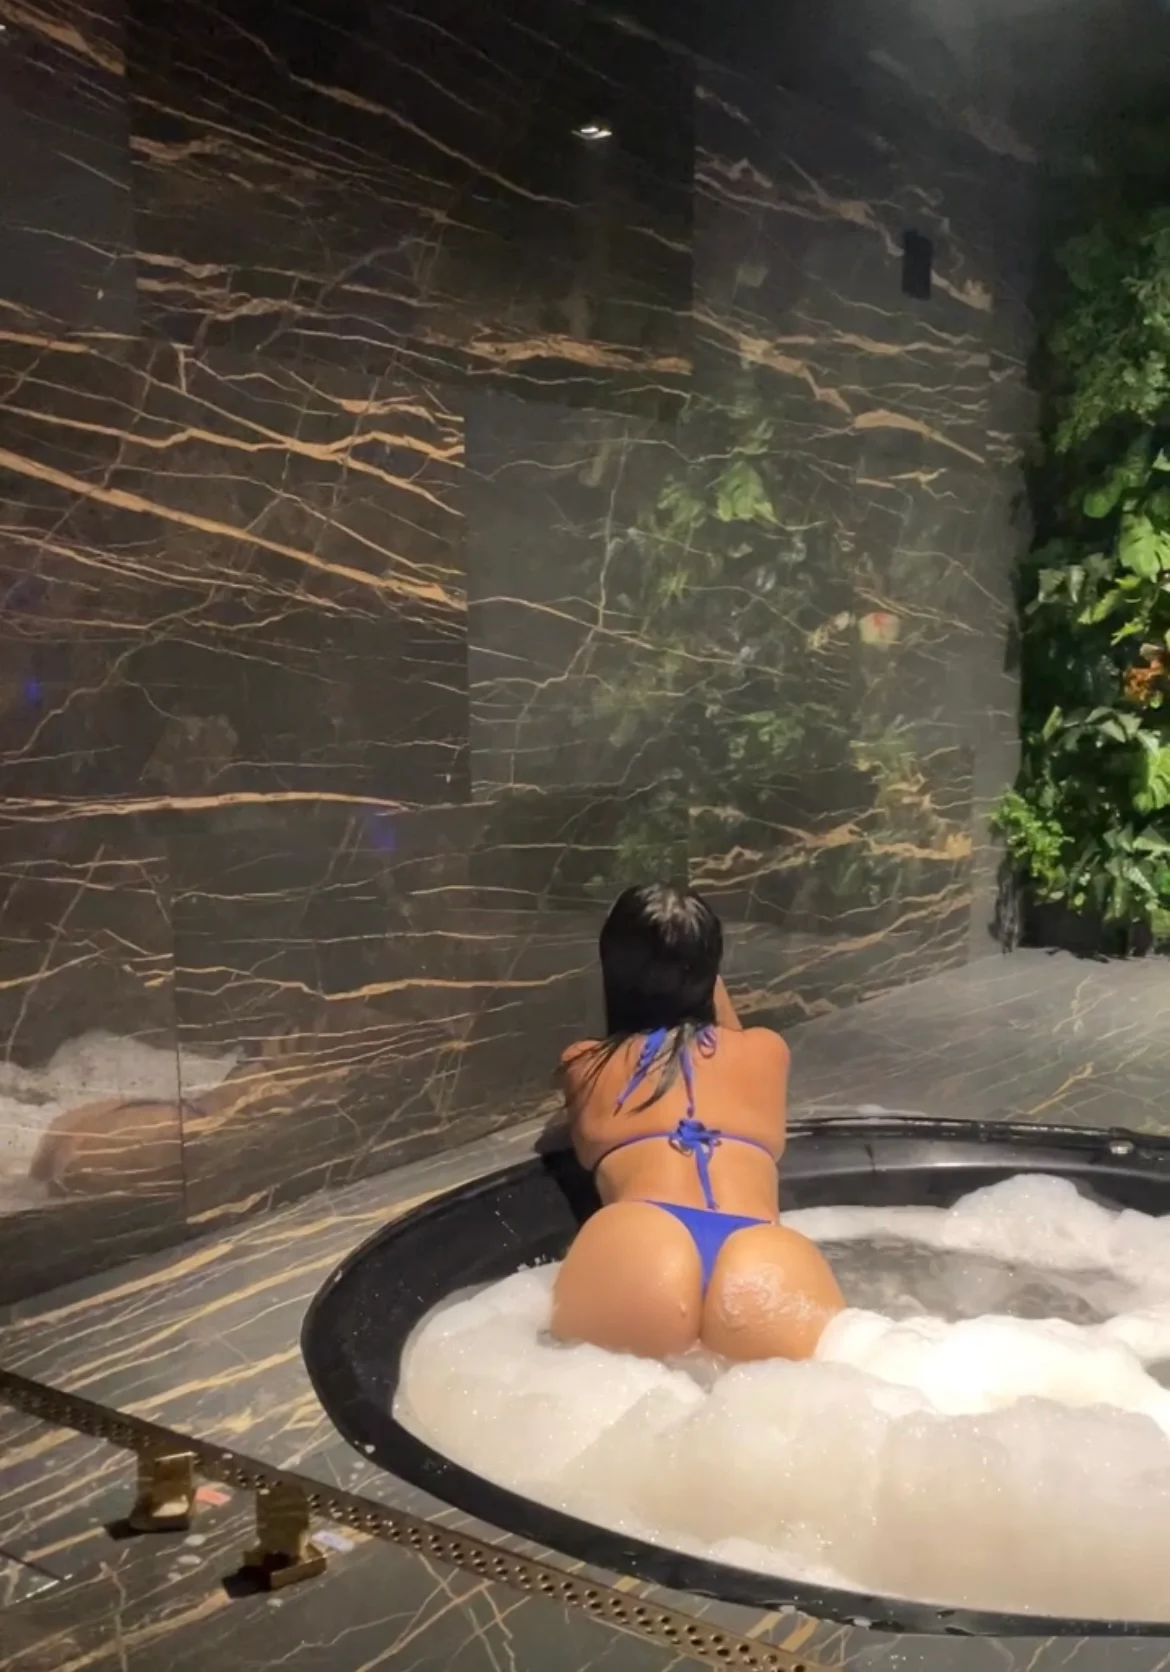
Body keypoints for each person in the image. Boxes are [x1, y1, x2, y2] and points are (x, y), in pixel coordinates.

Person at [552, 884, 844, 1362]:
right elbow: (724, 1032)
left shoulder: (584, 1064)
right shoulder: (767, 1052)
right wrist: (695, 966)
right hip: (767, 1255)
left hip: (640, 1244)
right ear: (711, 973)